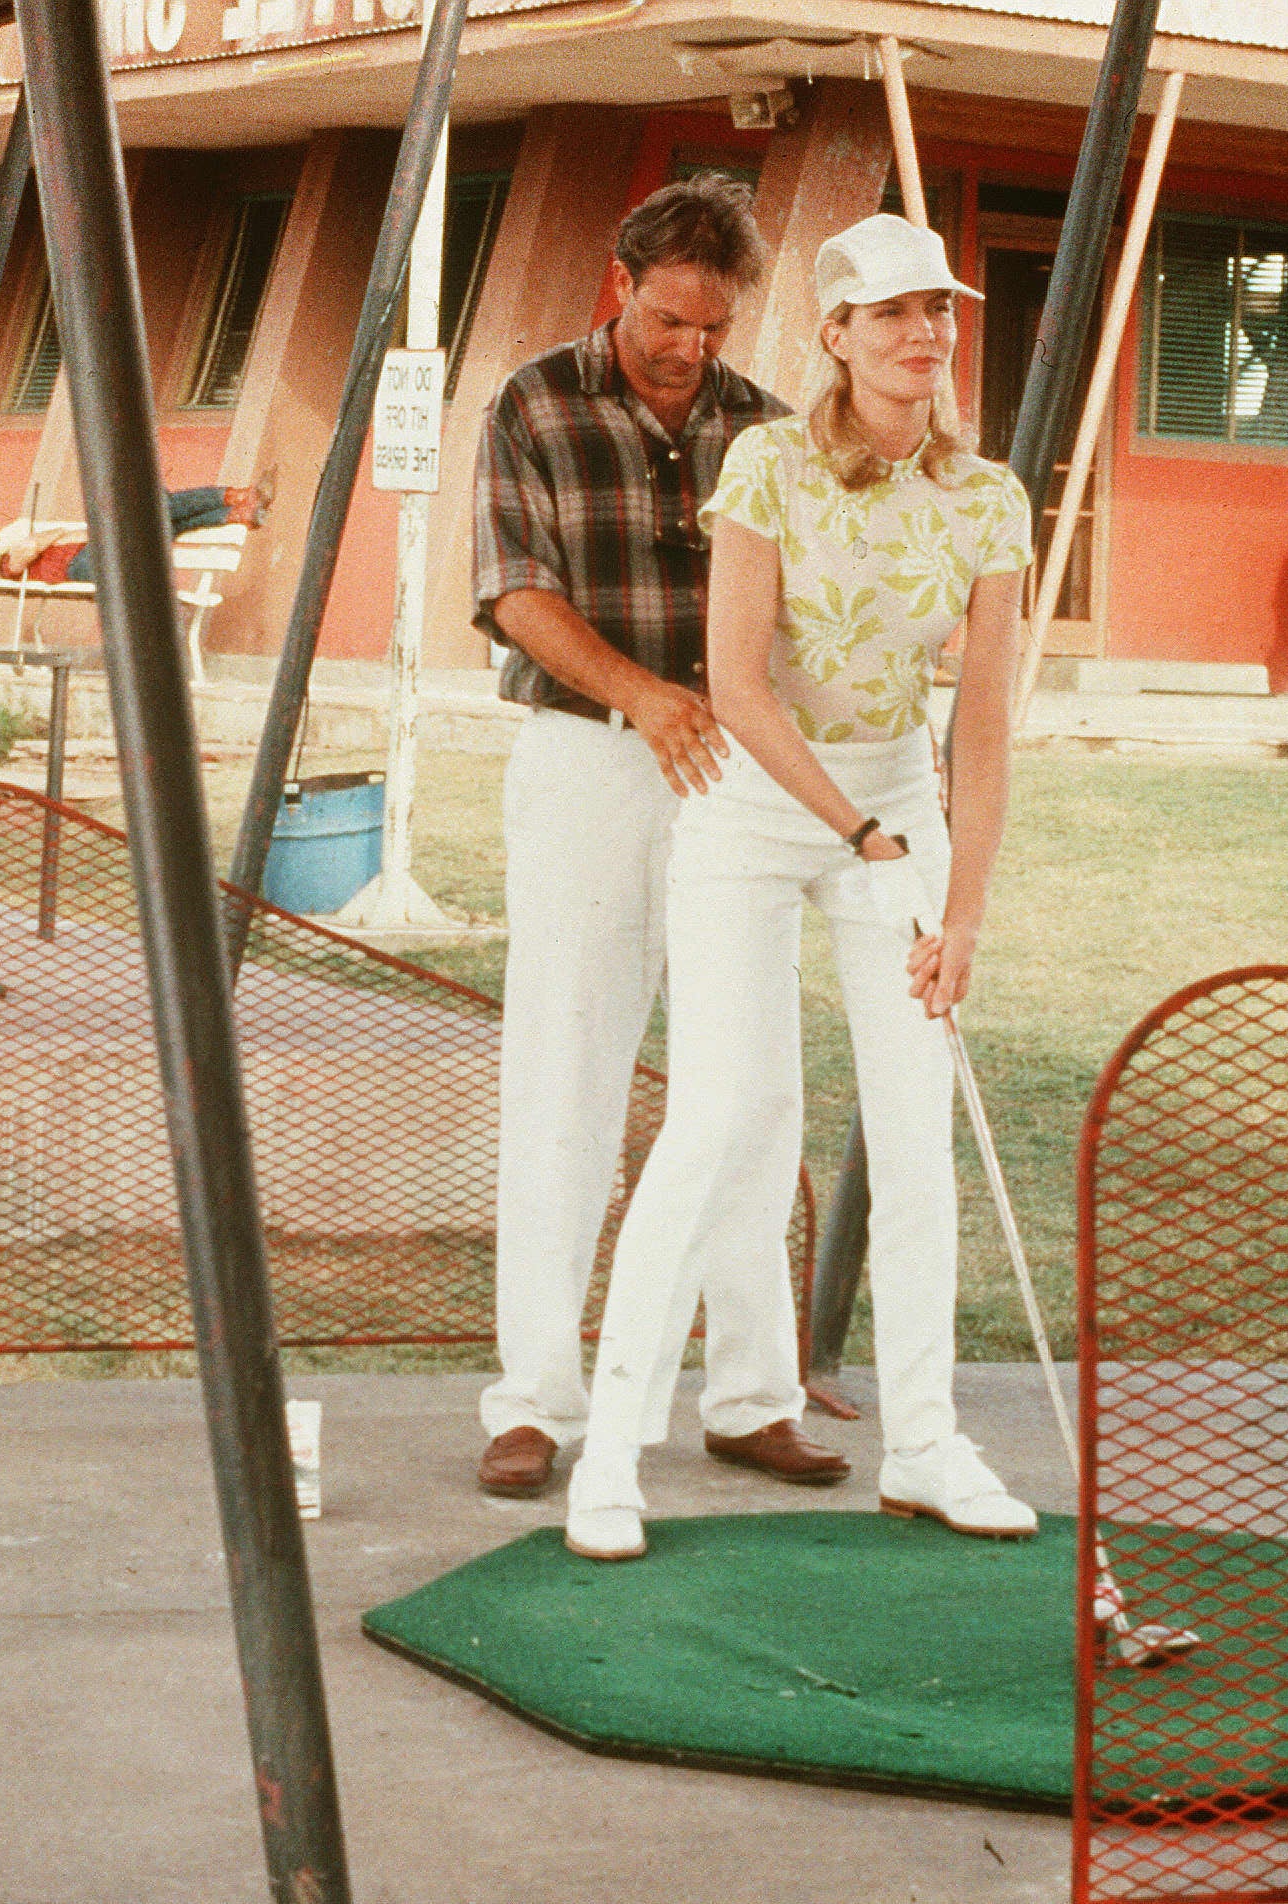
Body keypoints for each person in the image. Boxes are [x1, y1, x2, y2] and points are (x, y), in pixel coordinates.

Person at [561, 212, 1036, 1562]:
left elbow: (986, 729)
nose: (923, 333)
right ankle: (613, 1448)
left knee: (916, 1124)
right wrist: (862, 834)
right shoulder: (766, 465)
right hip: (757, 805)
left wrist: (963, 912)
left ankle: (929, 1444)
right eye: (891, 312)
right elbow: (735, 688)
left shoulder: (988, 496)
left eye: (938, 309)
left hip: (898, 802)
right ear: (835, 333)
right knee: (722, 1112)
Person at [469, 174, 838, 1500]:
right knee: (567, 1066)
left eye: (715, 328)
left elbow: (809, 620)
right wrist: (645, 692)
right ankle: (534, 1402)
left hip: (736, 773)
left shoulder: (772, 432)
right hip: (589, 760)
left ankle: (750, 1394)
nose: (690, 347)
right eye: (671, 318)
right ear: (621, 284)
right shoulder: (533, 402)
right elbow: (515, 593)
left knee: (747, 1082)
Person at [0, 482, 271, 585]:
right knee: (155, 506)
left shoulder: (47, 552)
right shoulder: (8, 563)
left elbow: (91, 532)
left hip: (98, 555)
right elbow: (30, 547)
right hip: (85, 565)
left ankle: (239, 513)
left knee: (158, 518)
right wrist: (41, 537)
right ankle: (235, 497)